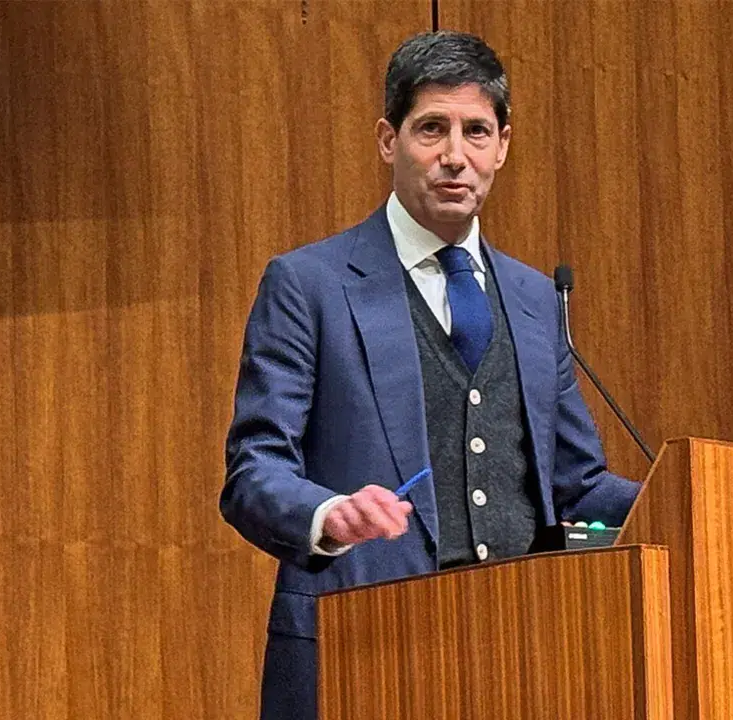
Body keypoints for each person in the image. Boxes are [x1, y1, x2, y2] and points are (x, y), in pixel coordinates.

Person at [220, 31, 640, 720]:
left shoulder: (536, 300)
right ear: (389, 140)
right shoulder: (309, 285)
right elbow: (254, 470)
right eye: (431, 129)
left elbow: (577, 484)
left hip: (525, 652)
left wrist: (684, 498)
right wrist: (328, 515)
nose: (455, 155)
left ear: (502, 146)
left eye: (476, 131)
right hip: (364, 647)